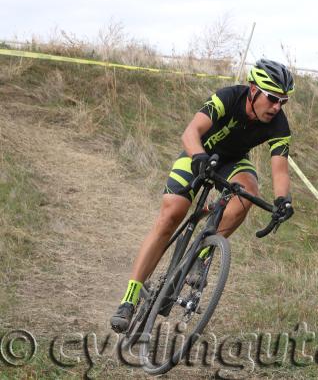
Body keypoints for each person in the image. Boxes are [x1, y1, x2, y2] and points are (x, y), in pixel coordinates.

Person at [110, 59, 295, 332]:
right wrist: (198, 157)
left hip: (233, 161)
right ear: (253, 89)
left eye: (283, 101)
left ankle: (202, 253)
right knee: (171, 214)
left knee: (248, 193)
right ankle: (130, 298)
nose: (277, 107)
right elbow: (191, 132)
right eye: (272, 98)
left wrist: (283, 200)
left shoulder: (278, 123)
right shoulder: (228, 97)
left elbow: (280, 169)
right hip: (198, 152)